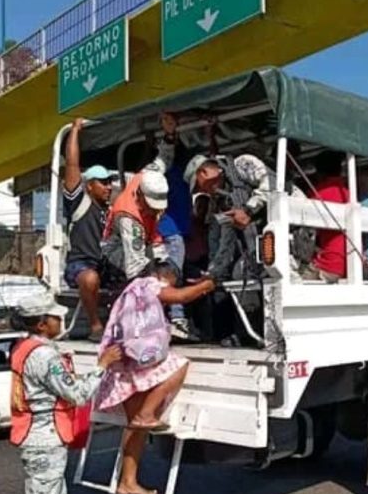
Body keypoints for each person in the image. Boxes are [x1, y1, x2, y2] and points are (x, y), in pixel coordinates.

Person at [95, 263, 215, 494]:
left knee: (135, 429)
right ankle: (147, 413)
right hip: (138, 359)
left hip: (124, 362)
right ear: (164, 276)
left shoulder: (130, 290)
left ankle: (127, 482)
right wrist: (208, 285)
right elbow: (180, 296)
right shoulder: (150, 284)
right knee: (179, 366)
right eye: (171, 281)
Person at [10, 293, 122, 494]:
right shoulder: (44, 355)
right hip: (44, 439)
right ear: (42, 324)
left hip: (36, 435)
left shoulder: (25, 346)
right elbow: (78, 394)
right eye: (55, 317)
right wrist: (102, 365)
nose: (61, 321)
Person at [180, 147, 273, 282]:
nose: (203, 191)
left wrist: (248, 210)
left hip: (294, 225)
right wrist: (212, 274)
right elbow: (224, 241)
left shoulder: (241, 164)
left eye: (198, 186)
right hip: (263, 249)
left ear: (204, 172)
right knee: (240, 274)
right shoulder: (219, 203)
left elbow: (273, 183)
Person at [62, 118, 114, 341]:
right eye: (103, 182)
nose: (109, 186)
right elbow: (72, 166)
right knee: (90, 278)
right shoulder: (79, 201)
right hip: (80, 265)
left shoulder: (111, 209)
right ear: (90, 185)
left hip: (106, 263)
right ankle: (95, 326)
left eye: (110, 182)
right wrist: (75, 131)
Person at [150, 113, 196, 339]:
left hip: (171, 229)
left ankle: (169, 319)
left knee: (166, 275)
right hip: (171, 230)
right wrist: (169, 134)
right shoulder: (172, 173)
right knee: (172, 274)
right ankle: (177, 318)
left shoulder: (178, 175)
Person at [101, 170, 170, 286]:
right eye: (152, 206)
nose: (157, 211)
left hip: (146, 239)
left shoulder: (146, 179)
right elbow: (135, 266)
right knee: (147, 280)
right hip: (117, 250)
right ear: (140, 195)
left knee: (166, 268)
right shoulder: (128, 217)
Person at [303, 151, 349, 283]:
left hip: (330, 264)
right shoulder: (348, 193)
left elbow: (307, 231)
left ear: (319, 172)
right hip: (352, 264)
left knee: (294, 278)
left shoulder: (318, 192)